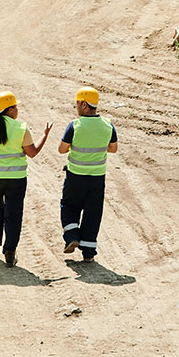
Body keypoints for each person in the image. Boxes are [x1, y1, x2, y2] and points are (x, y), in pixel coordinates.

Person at [0, 91, 52, 267]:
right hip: (16, 179)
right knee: (13, 214)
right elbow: (32, 153)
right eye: (15, 107)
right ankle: (10, 251)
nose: (17, 110)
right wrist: (45, 135)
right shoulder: (21, 128)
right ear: (9, 110)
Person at [58, 87, 118, 262]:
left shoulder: (75, 125)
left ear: (84, 104)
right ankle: (89, 253)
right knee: (93, 213)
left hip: (76, 176)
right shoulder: (108, 125)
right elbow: (113, 149)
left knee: (69, 206)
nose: (76, 106)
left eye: (77, 103)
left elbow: (62, 149)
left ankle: (72, 236)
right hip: (97, 178)